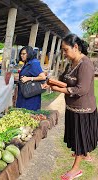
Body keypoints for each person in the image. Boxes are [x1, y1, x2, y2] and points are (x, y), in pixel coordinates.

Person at [50, 34, 98, 180]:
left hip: (83, 109)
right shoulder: (70, 63)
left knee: (80, 138)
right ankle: (84, 153)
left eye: (66, 50)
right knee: (77, 137)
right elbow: (64, 80)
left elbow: (81, 89)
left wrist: (58, 90)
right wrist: (52, 83)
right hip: (72, 107)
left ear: (75, 47)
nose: (64, 53)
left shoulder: (85, 64)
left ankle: (76, 169)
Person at [15, 46, 47, 111]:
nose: (22, 55)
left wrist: (29, 78)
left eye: (24, 54)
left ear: (29, 54)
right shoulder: (27, 63)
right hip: (25, 93)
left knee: (29, 113)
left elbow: (43, 76)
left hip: (31, 95)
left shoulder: (34, 63)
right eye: (21, 54)